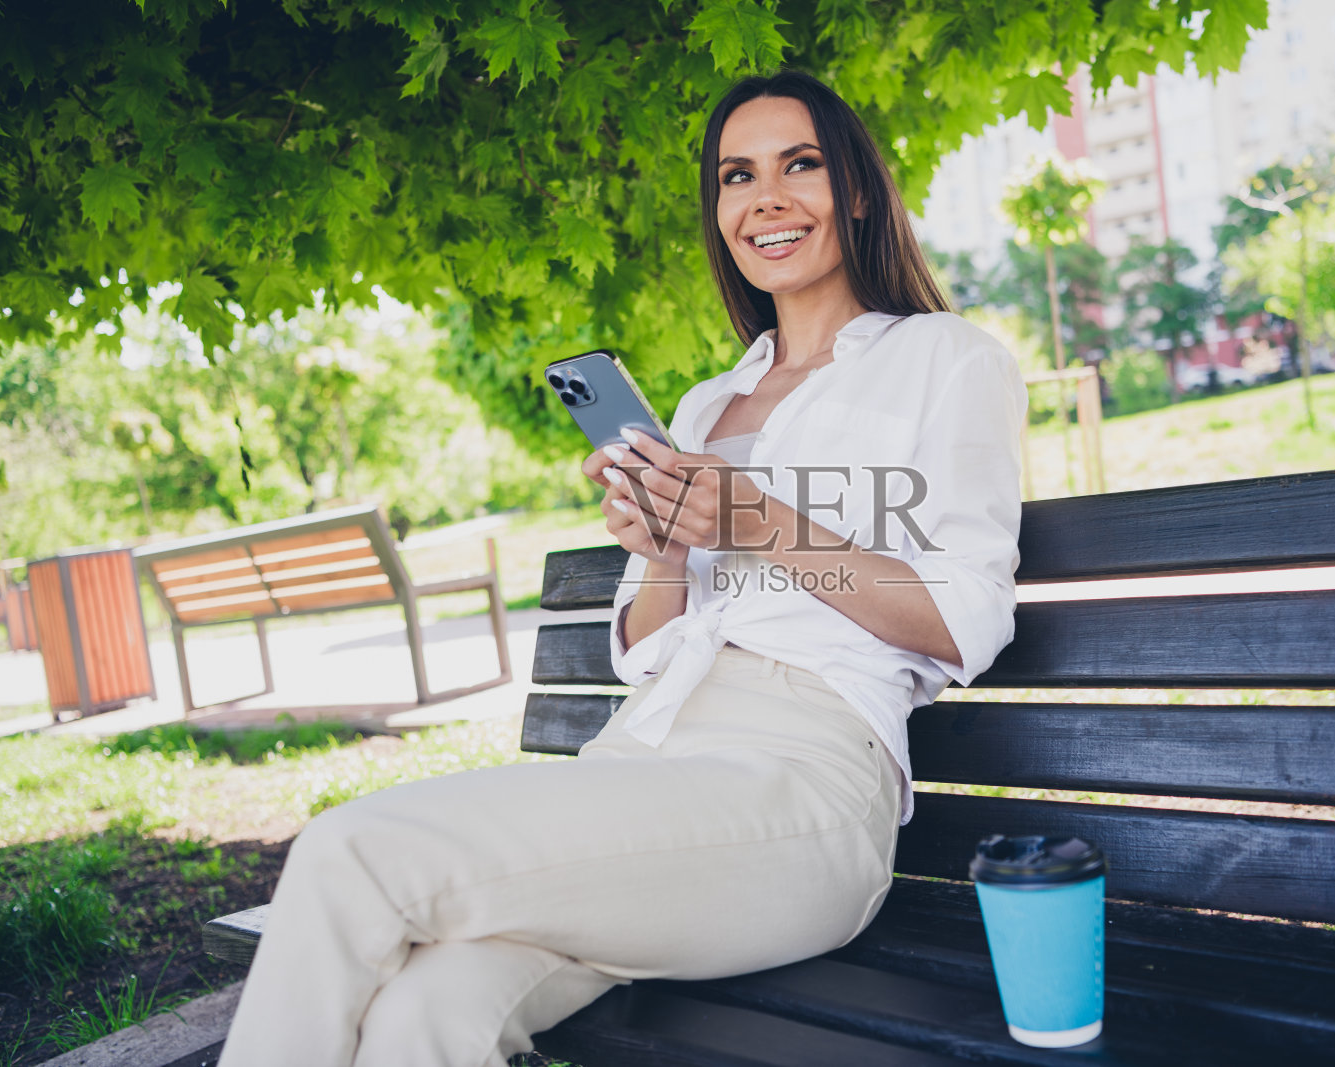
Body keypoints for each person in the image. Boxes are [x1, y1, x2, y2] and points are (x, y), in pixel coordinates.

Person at [217, 70, 1026, 1067]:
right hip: (642, 764)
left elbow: (964, 619)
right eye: (737, 176)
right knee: (425, 1010)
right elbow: (646, 646)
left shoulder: (946, 358)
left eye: (800, 165)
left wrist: (759, 518)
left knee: (349, 848)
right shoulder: (701, 405)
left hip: (800, 792)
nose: (765, 197)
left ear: (856, 191)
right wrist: (668, 547)